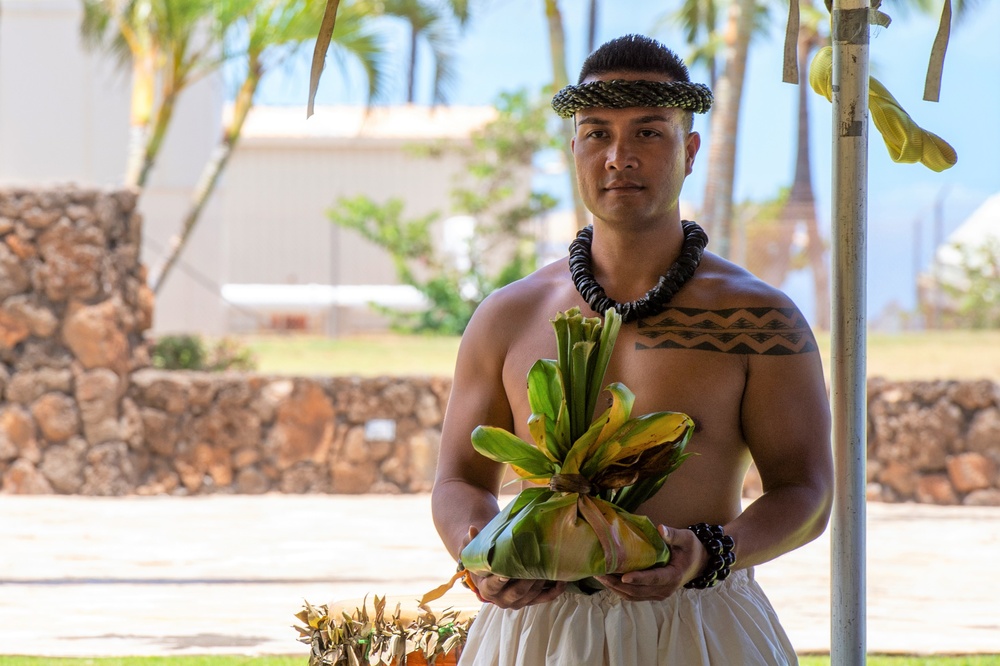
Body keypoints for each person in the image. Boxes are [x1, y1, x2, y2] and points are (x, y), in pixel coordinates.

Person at [431, 33, 833, 666]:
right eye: (597, 133)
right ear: (574, 150)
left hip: (702, 629)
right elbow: (458, 477)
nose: (619, 156)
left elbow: (807, 492)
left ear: (690, 150)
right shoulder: (508, 317)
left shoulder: (758, 320)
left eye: (649, 133)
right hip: (535, 636)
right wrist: (479, 550)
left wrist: (708, 552)